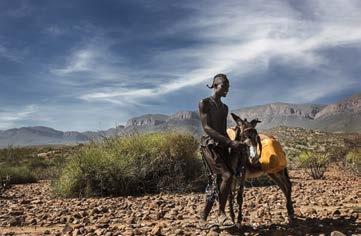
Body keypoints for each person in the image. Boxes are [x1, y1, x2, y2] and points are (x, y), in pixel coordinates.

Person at [198, 73, 242, 226]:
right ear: (215, 85)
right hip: (209, 145)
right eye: (225, 86)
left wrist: (233, 143)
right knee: (227, 176)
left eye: (228, 87)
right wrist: (229, 143)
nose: (227, 90)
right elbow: (207, 128)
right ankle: (221, 214)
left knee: (217, 183)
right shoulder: (204, 103)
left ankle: (203, 219)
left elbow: (222, 130)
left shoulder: (225, 108)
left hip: (222, 146)